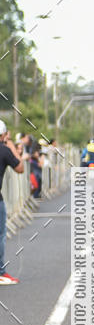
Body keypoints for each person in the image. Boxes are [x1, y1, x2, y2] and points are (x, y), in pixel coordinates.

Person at [0, 120, 24, 285]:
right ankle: (0, 272)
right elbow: (20, 168)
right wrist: (12, 147)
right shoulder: (4, 150)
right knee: (0, 234)